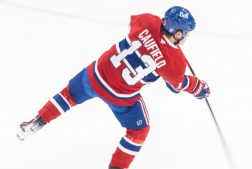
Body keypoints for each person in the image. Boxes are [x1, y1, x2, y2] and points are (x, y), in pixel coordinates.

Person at [17, 6, 210, 169]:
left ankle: (37, 121)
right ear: (177, 33)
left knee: (68, 95)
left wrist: (149, 43)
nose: (186, 38)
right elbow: (177, 85)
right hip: (121, 97)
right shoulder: (175, 62)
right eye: (185, 34)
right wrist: (198, 86)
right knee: (139, 131)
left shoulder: (148, 20)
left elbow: (133, 23)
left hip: (95, 75)